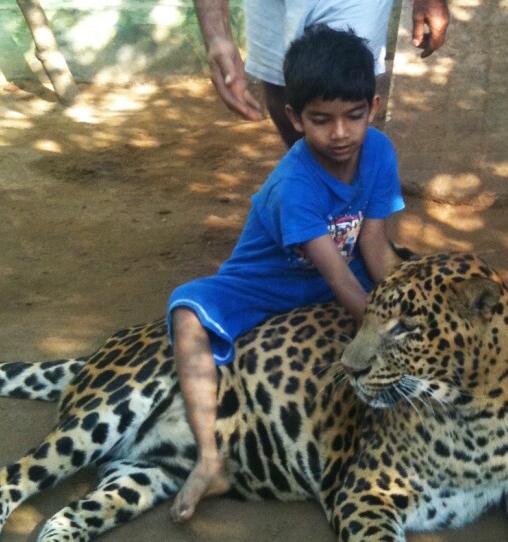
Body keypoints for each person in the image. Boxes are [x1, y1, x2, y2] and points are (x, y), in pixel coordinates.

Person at [167, 24, 406, 522]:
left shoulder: (379, 151)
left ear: (374, 107)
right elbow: (341, 281)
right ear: (295, 119)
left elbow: (376, 247)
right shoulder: (293, 186)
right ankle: (210, 459)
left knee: (414, 268)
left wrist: (412, 306)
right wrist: (390, 334)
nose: (340, 133)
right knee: (186, 311)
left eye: (353, 116)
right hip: (267, 283)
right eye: (321, 120)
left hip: (338, 269)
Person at [194, 0, 450, 146]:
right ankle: (319, 208)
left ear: (374, 108)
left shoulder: (381, 156)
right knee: (280, 89)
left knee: (342, 86)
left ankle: (341, 219)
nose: (339, 132)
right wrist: (216, 34)